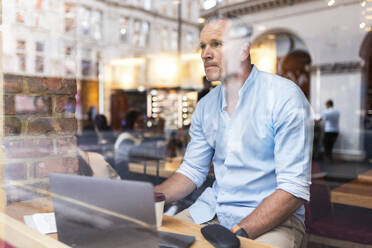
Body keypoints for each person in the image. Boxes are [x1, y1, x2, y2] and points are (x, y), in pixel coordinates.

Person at [154, 17, 313, 248]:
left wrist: (236, 234)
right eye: (203, 46)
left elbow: (293, 189)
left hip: (273, 222)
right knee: (154, 242)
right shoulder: (206, 106)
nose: (205, 54)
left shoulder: (284, 97)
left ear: (242, 51)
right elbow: (192, 171)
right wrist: (148, 197)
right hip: (211, 211)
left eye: (216, 44)